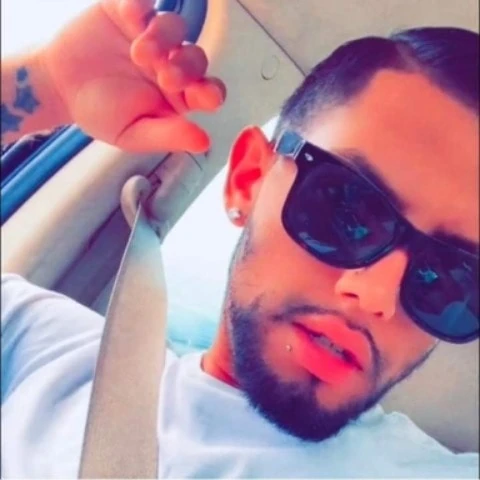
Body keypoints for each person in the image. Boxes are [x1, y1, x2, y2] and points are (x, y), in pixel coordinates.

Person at [1, 0, 478, 477]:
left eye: (452, 277)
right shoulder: (37, 349)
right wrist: (42, 88)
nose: (376, 296)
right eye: (348, 211)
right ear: (249, 179)